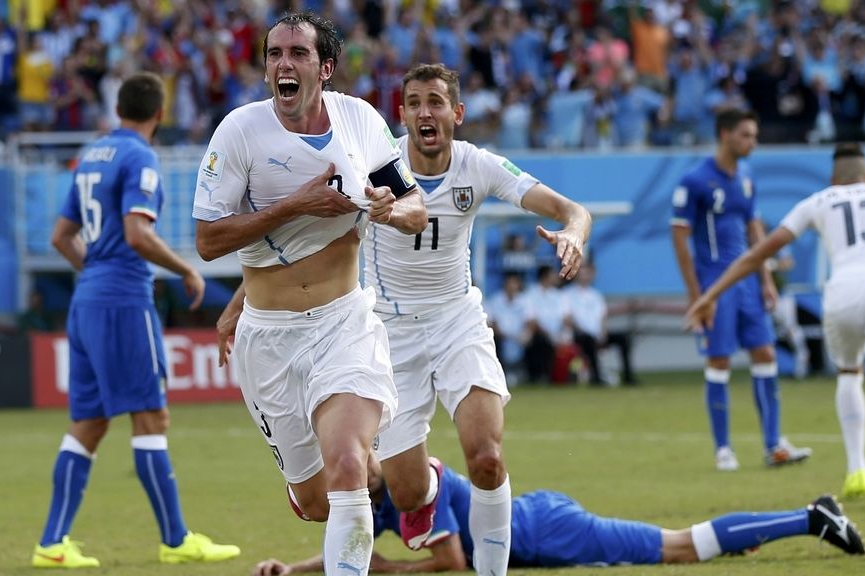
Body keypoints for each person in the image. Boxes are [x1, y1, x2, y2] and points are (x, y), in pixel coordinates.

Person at [220, 62, 590, 576]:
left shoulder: (479, 166)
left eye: (436, 102)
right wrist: (239, 305)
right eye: (414, 103)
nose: (425, 112)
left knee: (486, 456)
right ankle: (432, 485)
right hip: (390, 334)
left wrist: (574, 232)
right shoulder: (376, 162)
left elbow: (573, 210)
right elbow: (306, 246)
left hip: (457, 319)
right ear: (402, 114)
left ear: (456, 113)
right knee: (408, 491)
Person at [195, 12, 427, 576]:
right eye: (274, 54)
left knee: (347, 465)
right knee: (320, 501)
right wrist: (294, 204)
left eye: (297, 54)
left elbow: (416, 208)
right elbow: (207, 240)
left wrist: (389, 210)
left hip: (344, 324)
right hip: (269, 339)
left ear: (324, 68)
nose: (283, 64)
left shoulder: (359, 122)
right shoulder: (239, 131)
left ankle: (381, 466)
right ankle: (380, 470)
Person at [686, 142, 865, 499]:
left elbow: (756, 254)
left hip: (842, 293)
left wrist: (707, 296)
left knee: (849, 373)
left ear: (835, 179)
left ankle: (857, 468)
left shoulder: (819, 201)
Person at [33, 72, 239, 568]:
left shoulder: (92, 156)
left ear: (119, 108)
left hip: (87, 300)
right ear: (159, 114)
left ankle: (51, 544)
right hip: (123, 300)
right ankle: (175, 540)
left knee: (89, 422)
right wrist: (186, 268)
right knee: (151, 415)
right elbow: (137, 234)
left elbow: (62, 236)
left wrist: (96, 276)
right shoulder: (140, 156)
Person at [251, 458, 865, 575]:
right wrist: (295, 569)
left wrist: (383, 570)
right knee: (686, 545)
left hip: (550, 534)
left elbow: (452, 562)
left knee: (681, 548)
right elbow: (351, 552)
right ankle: (801, 519)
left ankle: (811, 517)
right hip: (535, 520)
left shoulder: (416, 490)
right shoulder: (386, 491)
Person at [670, 108, 812, 471]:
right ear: (725, 135)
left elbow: (755, 230)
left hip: (748, 282)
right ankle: (723, 449)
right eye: (747, 135)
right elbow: (680, 239)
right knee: (719, 360)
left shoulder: (747, 177)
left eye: (754, 135)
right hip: (715, 283)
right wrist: (696, 295)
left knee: (765, 354)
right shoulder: (695, 180)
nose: (753, 142)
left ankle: (773, 445)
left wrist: (766, 280)